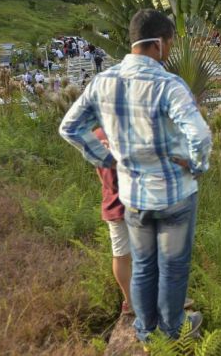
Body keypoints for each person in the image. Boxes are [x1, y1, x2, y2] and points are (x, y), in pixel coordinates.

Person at [59, 9, 211, 343]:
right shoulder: (169, 84)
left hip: (133, 198)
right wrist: (196, 165)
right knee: (172, 269)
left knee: (143, 265)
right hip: (174, 196)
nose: (169, 51)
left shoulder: (103, 82)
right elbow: (199, 136)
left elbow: (70, 127)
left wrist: (109, 159)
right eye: (169, 44)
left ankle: (145, 333)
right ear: (158, 43)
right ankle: (172, 332)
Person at [93, 127, 133, 315]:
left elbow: (100, 175)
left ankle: (130, 301)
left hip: (112, 203)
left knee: (121, 255)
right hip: (135, 203)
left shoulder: (97, 135)